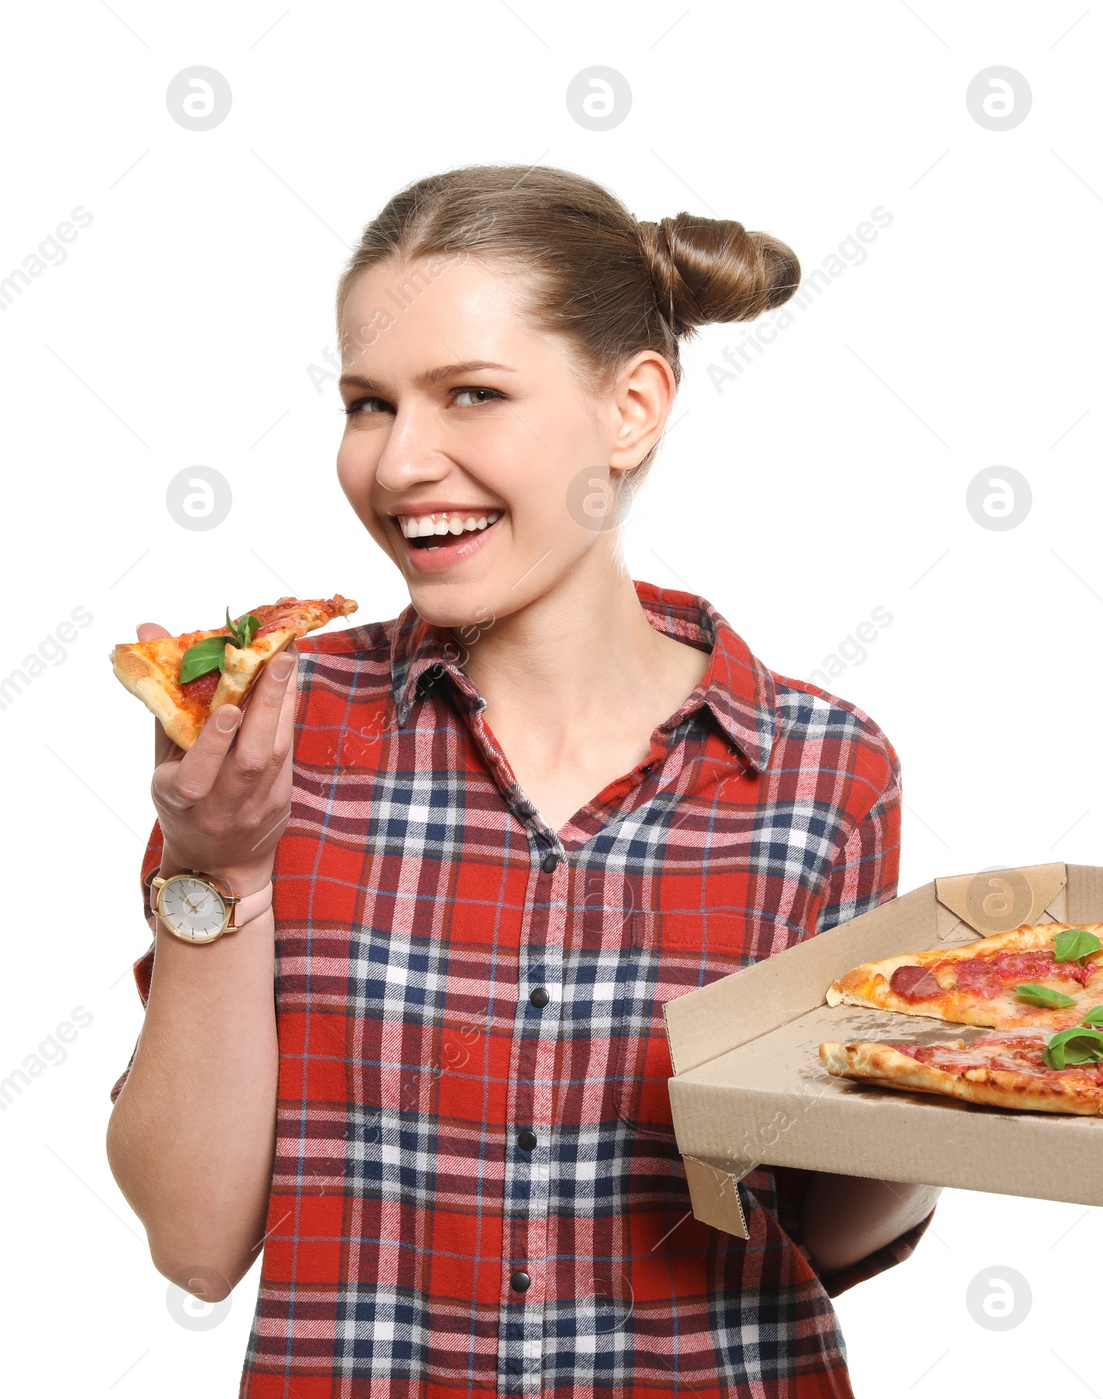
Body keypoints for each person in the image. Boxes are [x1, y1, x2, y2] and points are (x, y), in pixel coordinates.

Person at [104, 164, 938, 1397]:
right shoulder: (270, 731)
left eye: (472, 395)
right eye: (368, 404)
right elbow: (198, 1239)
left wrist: (951, 1082)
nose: (398, 466)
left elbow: (830, 1229)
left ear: (632, 406)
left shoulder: (820, 768)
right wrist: (216, 869)